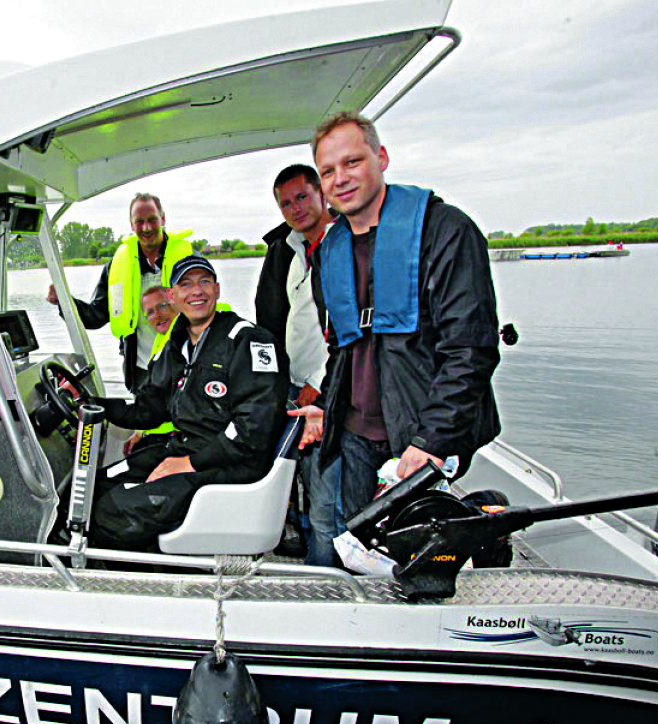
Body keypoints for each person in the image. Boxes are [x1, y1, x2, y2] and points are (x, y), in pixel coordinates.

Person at [291, 112, 501, 520]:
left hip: (421, 435)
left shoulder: (446, 230)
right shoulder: (329, 251)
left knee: (419, 560)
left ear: (381, 158)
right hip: (355, 437)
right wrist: (327, 408)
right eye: (328, 171)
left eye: (353, 162)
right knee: (361, 548)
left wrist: (431, 443)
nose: (341, 179)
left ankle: (482, 528)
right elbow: (342, 348)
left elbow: (470, 351)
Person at [83, 255, 284, 552]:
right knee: (94, 488)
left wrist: (188, 463)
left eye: (204, 282)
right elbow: (148, 409)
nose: (197, 291)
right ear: (172, 296)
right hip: (187, 449)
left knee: (113, 513)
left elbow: (252, 430)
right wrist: (91, 404)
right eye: (186, 284)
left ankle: (152, 582)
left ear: (217, 290)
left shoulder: (248, 341)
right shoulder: (177, 345)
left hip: (230, 465)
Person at [255, 163, 343, 566]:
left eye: (302, 197)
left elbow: (350, 329)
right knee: (294, 477)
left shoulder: (346, 244)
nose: (295, 208)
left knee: (326, 495)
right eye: (286, 203)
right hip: (292, 386)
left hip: (330, 392)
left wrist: (318, 385)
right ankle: (304, 546)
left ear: (322, 192)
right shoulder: (288, 251)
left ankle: (326, 577)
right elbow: (273, 320)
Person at [46, 193, 194, 392]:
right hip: (142, 372)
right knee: (145, 422)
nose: (147, 227)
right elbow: (97, 315)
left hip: (185, 366)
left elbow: (208, 312)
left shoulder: (189, 261)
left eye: (152, 220)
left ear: (163, 219)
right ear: (132, 225)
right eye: (139, 222)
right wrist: (64, 301)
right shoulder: (116, 267)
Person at [122, 286, 179, 455]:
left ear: (174, 303)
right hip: (162, 432)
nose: (158, 315)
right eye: (150, 312)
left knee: (107, 479)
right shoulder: (162, 341)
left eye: (162, 306)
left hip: (178, 437)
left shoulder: (187, 339)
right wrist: (140, 432)